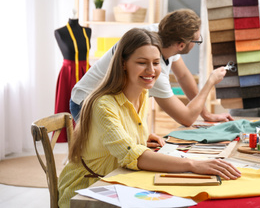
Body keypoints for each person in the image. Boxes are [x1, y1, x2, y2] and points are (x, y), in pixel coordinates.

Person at [58, 28, 241, 208]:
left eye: (155, 62)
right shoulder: (103, 104)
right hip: (87, 191)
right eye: (142, 62)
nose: (151, 70)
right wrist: (193, 164)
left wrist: (140, 138)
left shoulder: (142, 94)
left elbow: (120, 144)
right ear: (123, 63)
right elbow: (132, 156)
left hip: (116, 180)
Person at [70, 9, 233, 126]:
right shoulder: (154, 71)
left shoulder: (164, 33)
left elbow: (183, 76)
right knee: (108, 160)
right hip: (87, 102)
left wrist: (206, 114)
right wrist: (210, 82)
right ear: (181, 45)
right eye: (197, 41)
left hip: (111, 103)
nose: (197, 43)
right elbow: (187, 119)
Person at [54, 18, 91, 142]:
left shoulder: (87, 31)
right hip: (68, 74)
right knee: (68, 107)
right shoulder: (60, 32)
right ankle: (71, 148)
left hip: (86, 72)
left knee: (89, 107)